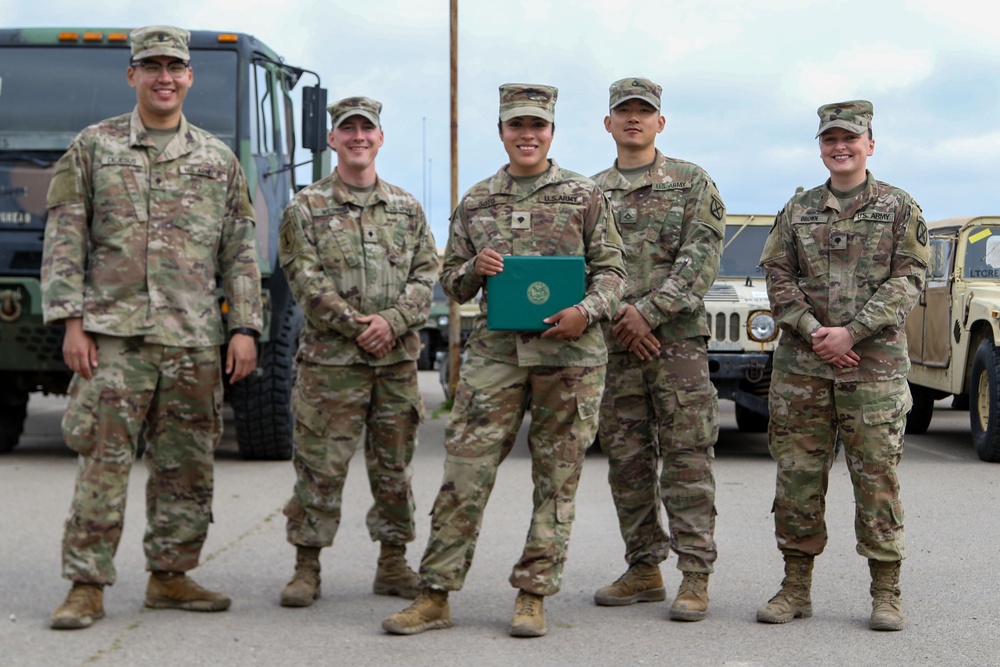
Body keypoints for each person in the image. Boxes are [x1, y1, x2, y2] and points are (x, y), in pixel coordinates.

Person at [382, 83, 626, 638]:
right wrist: (476, 269)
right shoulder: (476, 201)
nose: (527, 135)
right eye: (517, 126)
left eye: (537, 126)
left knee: (557, 479)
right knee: (464, 473)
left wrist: (586, 312)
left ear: (551, 133)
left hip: (570, 355)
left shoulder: (584, 195)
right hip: (496, 356)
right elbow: (452, 283)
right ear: (501, 132)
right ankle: (436, 592)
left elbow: (614, 272)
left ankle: (533, 593)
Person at [42, 25, 262, 630]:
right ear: (132, 75)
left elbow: (240, 250)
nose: (164, 76)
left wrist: (244, 327)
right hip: (115, 338)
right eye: (152, 65)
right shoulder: (94, 147)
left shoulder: (217, 159)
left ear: (191, 76)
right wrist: (70, 321)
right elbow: (65, 238)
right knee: (102, 461)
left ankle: (170, 575)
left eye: (175, 66)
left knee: (187, 464)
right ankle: (86, 584)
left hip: (193, 339)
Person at [756, 100, 929, 631]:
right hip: (802, 371)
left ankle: (886, 591)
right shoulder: (798, 208)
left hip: (872, 368)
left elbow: (909, 280)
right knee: (797, 479)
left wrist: (851, 333)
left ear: (870, 145)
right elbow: (777, 276)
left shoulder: (899, 207)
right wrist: (813, 332)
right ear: (822, 147)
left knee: (876, 478)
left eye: (851, 138)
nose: (840, 147)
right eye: (830, 139)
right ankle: (795, 587)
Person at [276, 96, 438, 608]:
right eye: (348, 129)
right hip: (331, 366)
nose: (358, 137)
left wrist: (390, 323)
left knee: (394, 469)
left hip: (394, 366)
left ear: (381, 138)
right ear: (333, 139)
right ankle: (306, 567)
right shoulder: (305, 207)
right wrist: (355, 326)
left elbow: (425, 273)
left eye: (367, 128)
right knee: (319, 469)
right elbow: (303, 277)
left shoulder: (407, 208)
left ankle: (392, 564)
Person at [588, 77, 725, 621]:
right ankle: (644, 568)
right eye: (624, 111)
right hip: (614, 345)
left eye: (644, 112)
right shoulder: (589, 191)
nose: (634, 119)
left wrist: (646, 312)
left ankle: (695, 576)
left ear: (660, 123)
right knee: (626, 460)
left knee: (688, 457)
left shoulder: (691, 183)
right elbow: (586, 265)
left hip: (677, 346)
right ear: (609, 123)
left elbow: (700, 259)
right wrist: (622, 314)